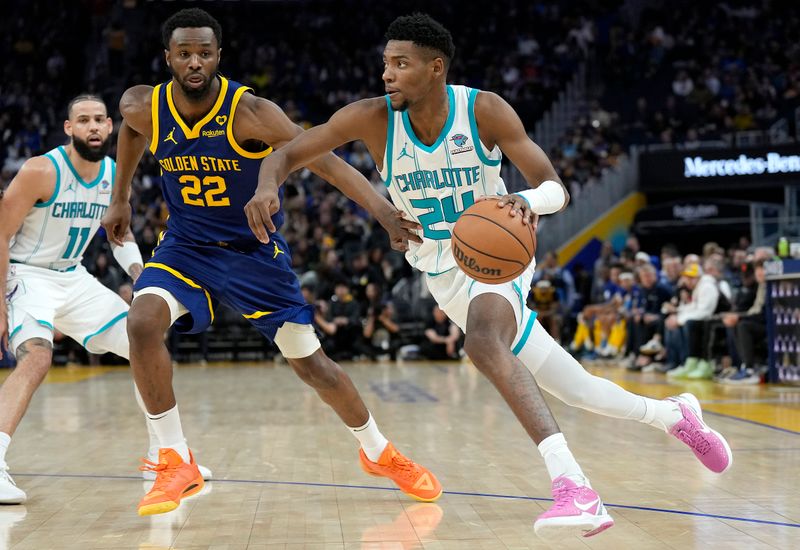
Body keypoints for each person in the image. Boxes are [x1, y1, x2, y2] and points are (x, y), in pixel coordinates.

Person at [251, 13, 734, 540]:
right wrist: (266, 187)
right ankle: (673, 415)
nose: (387, 74)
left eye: (401, 64)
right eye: (386, 63)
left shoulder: (481, 109)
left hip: (497, 256)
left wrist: (517, 201)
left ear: (435, 68)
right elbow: (290, 151)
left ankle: (576, 489)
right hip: (440, 270)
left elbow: (554, 188)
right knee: (576, 389)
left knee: (482, 343)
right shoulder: (370, 117)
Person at [101, 8, 441, 517]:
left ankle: (379, 452)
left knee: (314, 366)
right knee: (142, 321)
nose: (195, 62)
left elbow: (324, 160)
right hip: (185, 246)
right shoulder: (142, 105)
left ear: (219, 56)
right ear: (168, 57)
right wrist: (120, 196)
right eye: (184, 53)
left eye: (205, 53)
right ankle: (175, 457)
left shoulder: (251, 113)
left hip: (252, 252)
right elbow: (131, 131)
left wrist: (385, 213)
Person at [0, 95, 211, 505]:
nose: (93, 126)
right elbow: (2, 234)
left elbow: (120, 233)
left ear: (111, 128)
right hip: (25, 274)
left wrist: (140, 274)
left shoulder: (114, 174)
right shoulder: (41, 170)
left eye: (100, 119)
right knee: (37, 357)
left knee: (143, 343)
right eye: (83, 120)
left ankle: (167, 457)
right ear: (68, 128)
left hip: (72, 276)